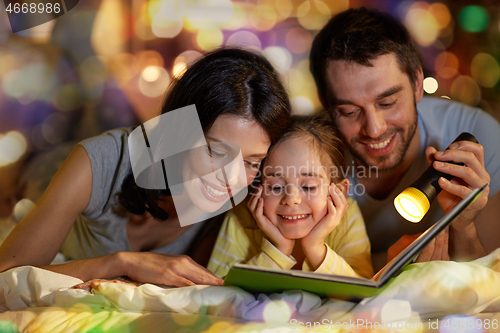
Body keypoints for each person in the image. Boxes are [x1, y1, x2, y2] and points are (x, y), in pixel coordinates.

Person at [0, 48, 292, 287]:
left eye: (252, 161)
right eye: (216, 151)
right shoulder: (98, 162)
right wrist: (120, 263)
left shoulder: (244, 194)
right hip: (45, 168)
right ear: (179, 132)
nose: (231, 179)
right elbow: (6, 278)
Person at [309, 8, 500, 269]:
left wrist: (463, 225)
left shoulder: (477, 136)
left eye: (387, 102)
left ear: (418, 84)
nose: (374, 130)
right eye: (349, 111)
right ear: (325, 105)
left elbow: (487, 283)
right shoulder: (305, 155)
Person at [208, 115, 373, 279]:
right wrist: (277, 252)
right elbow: (214, 294)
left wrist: (316, 248)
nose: (291, 199)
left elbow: (362, 293)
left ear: (339, 191)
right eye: (276, 187)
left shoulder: (347, 217)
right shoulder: (240, 218)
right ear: (258, 187)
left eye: (308, 186)